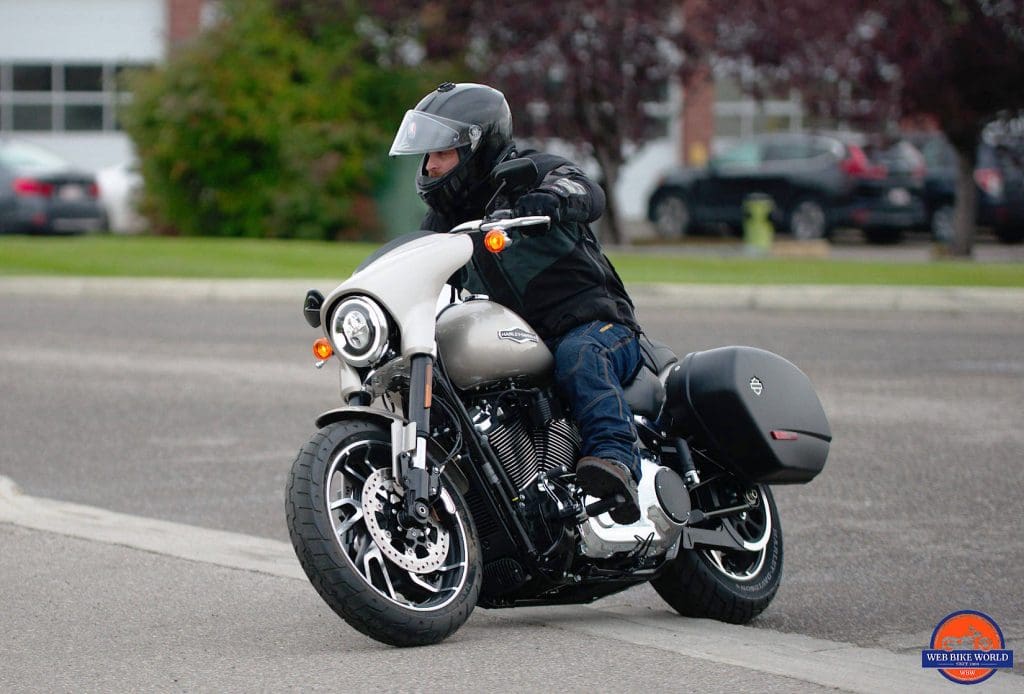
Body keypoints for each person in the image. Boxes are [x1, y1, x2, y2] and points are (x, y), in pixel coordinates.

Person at [389, 82, 643, 524]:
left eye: (441, 154)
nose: (429, 166)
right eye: (426, 156)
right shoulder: (443, 221)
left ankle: (616, 460)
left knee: (579, 354)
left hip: (598, 324)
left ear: (476, 147)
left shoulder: (532, 172)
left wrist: (552, 198)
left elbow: (585, 189)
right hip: (522, 340)